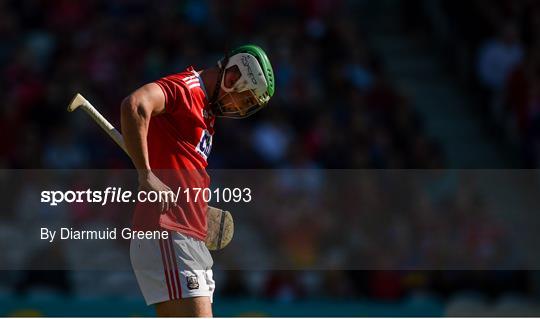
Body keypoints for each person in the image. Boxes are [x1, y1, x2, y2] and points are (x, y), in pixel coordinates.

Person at [121, 45, 275, 317]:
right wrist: (146, 174)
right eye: (245, 99)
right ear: (233, 76)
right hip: (167, 230)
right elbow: (135, 104)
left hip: (187, 235)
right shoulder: (185, 88)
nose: (240, 108)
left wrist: (197, 210)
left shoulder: (206, 112)